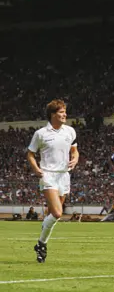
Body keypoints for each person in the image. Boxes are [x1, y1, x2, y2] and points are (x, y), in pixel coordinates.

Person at [27, 99, 79, 263]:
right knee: (57, 212)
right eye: (61, 112)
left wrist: (75, 159)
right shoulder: (41, 134)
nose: (65, 114)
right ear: (52, 114)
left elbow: (75, 150)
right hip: (48, 174)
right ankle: (42, 244)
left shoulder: (70, 131)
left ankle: (41, 244)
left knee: (53, 216)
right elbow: (30, 153)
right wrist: (36, 168)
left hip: (64, 175)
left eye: (65, 111)